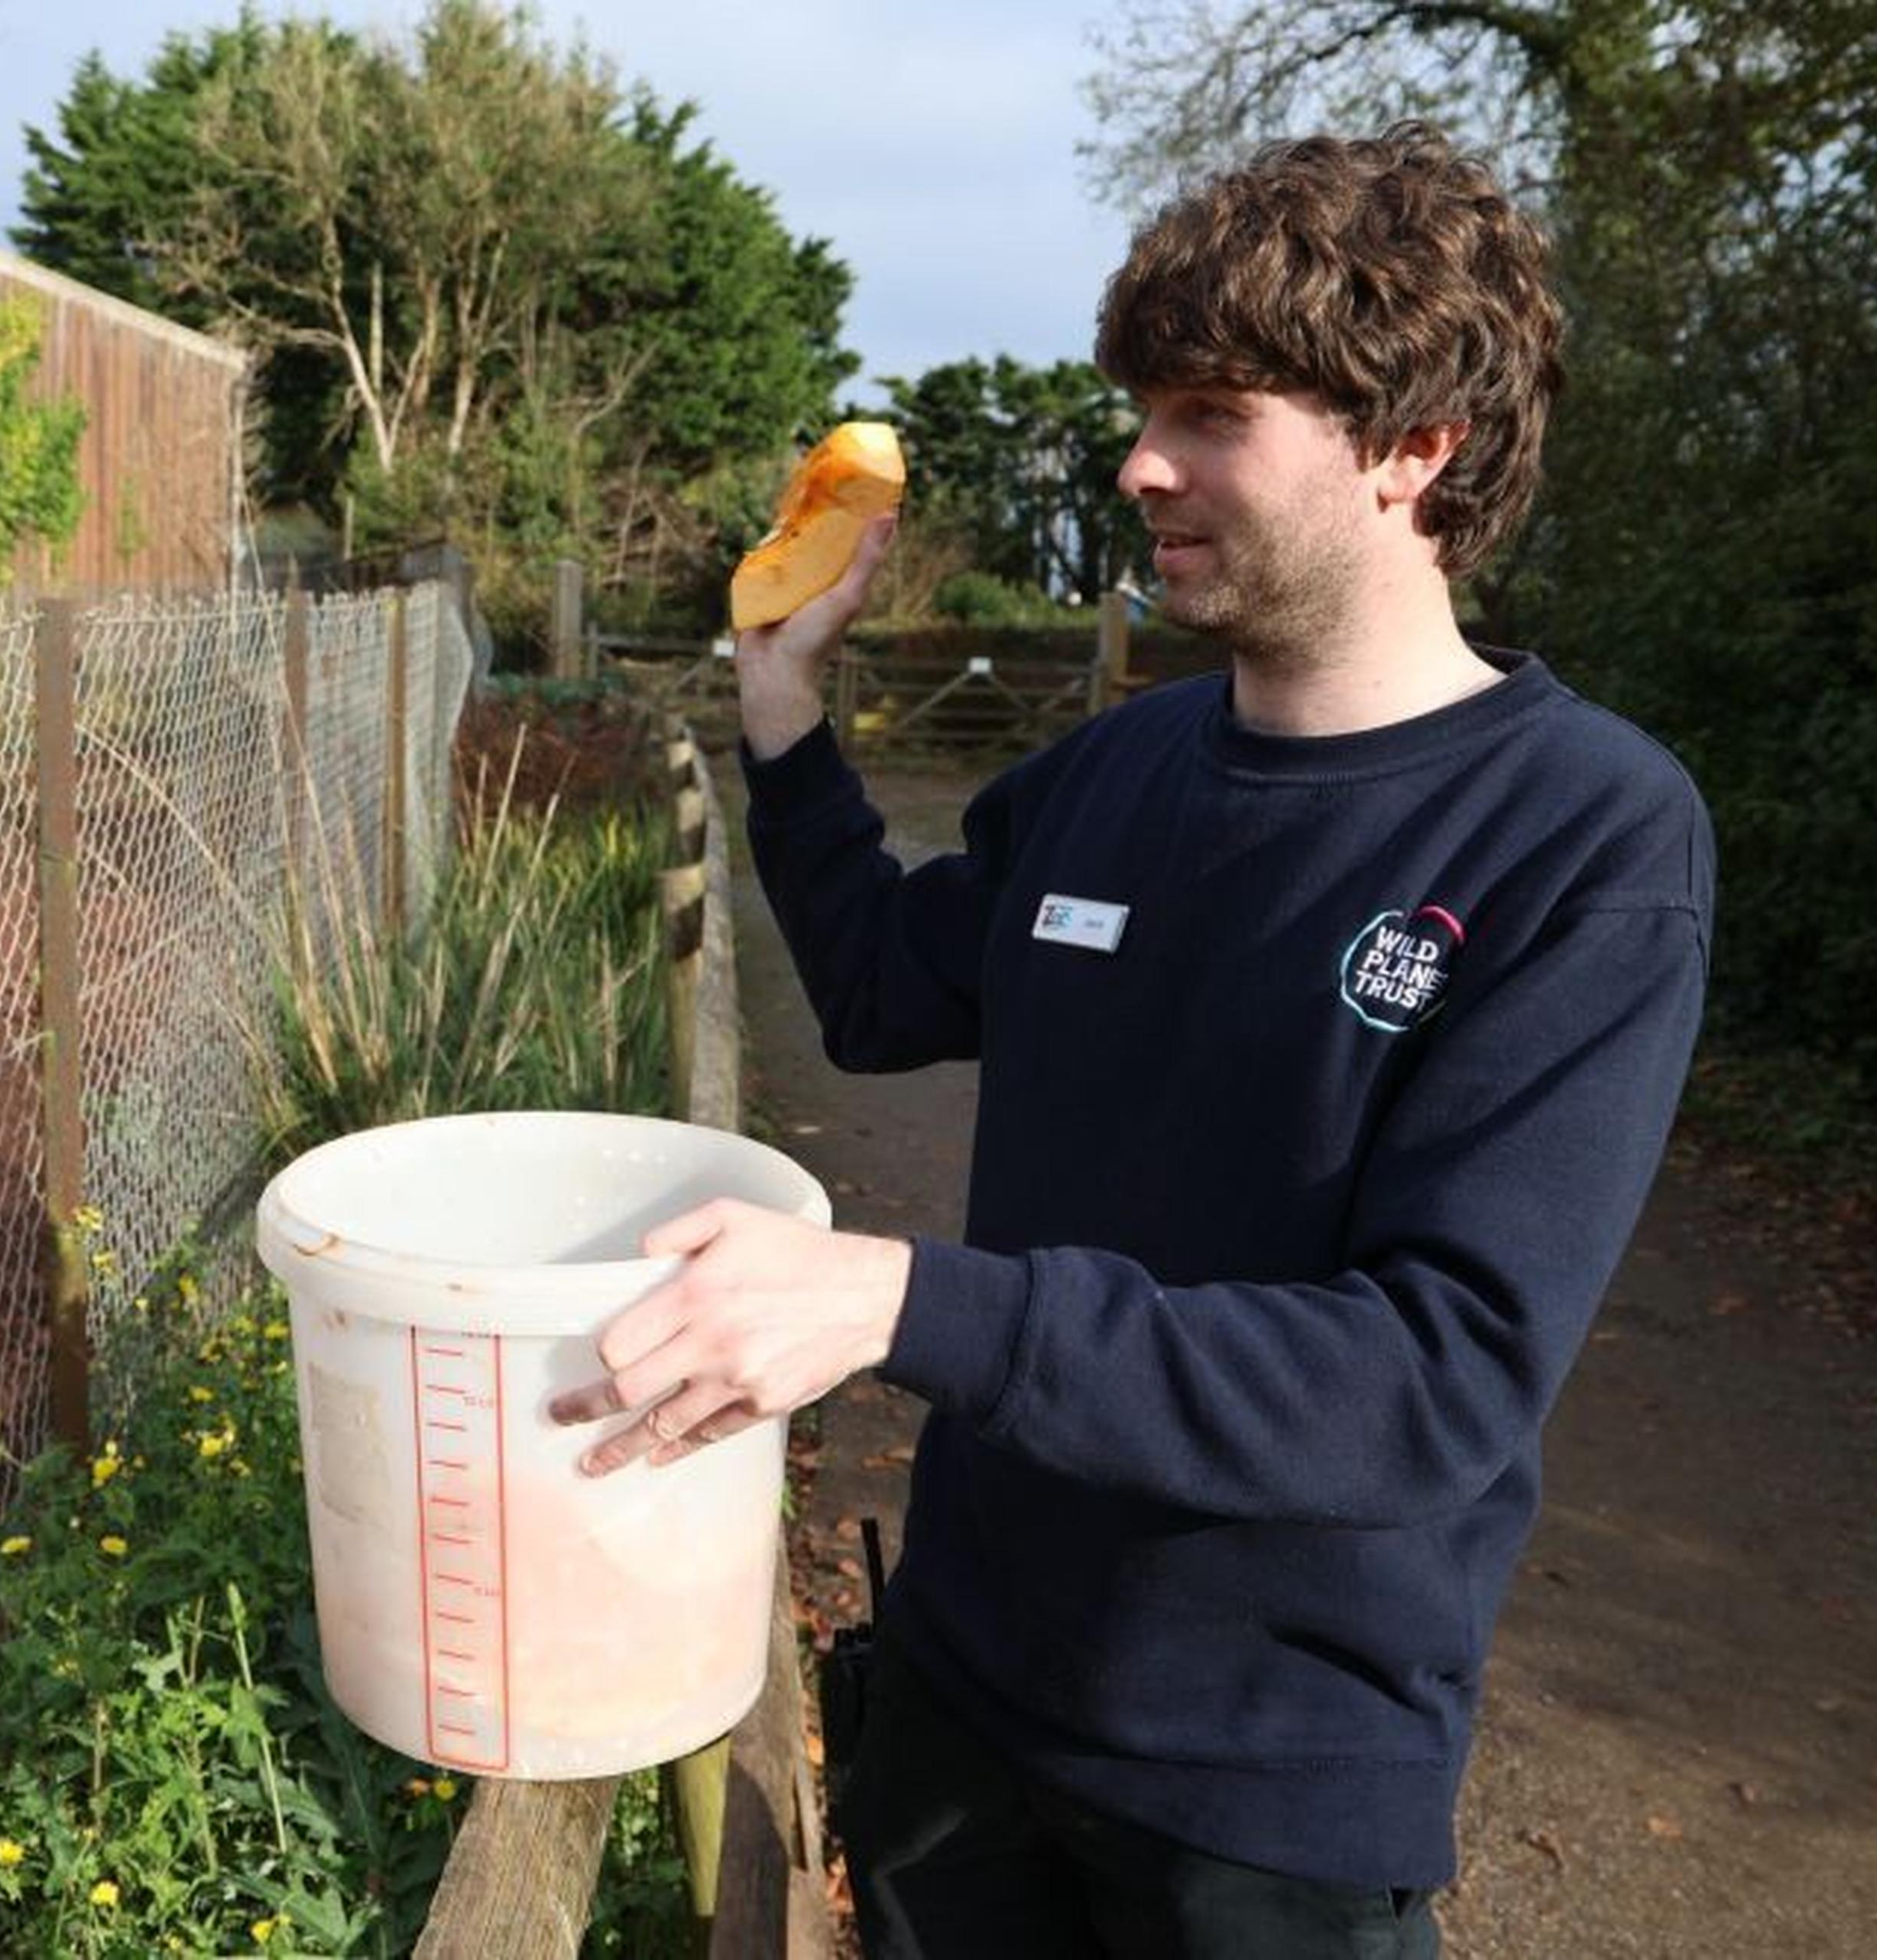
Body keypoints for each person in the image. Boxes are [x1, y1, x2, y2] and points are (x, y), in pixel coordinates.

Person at [553, 121, 1714, 1957]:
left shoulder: (1583, 835)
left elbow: (1433, 1377)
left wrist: (906, 1301)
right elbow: (875, 991)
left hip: (1264, 1789)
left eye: (1213, 410)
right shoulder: (1113, 773)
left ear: (1422, 444)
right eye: (1144, 404)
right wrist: (783, 719)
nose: (1138, 459)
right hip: (962, 1687)